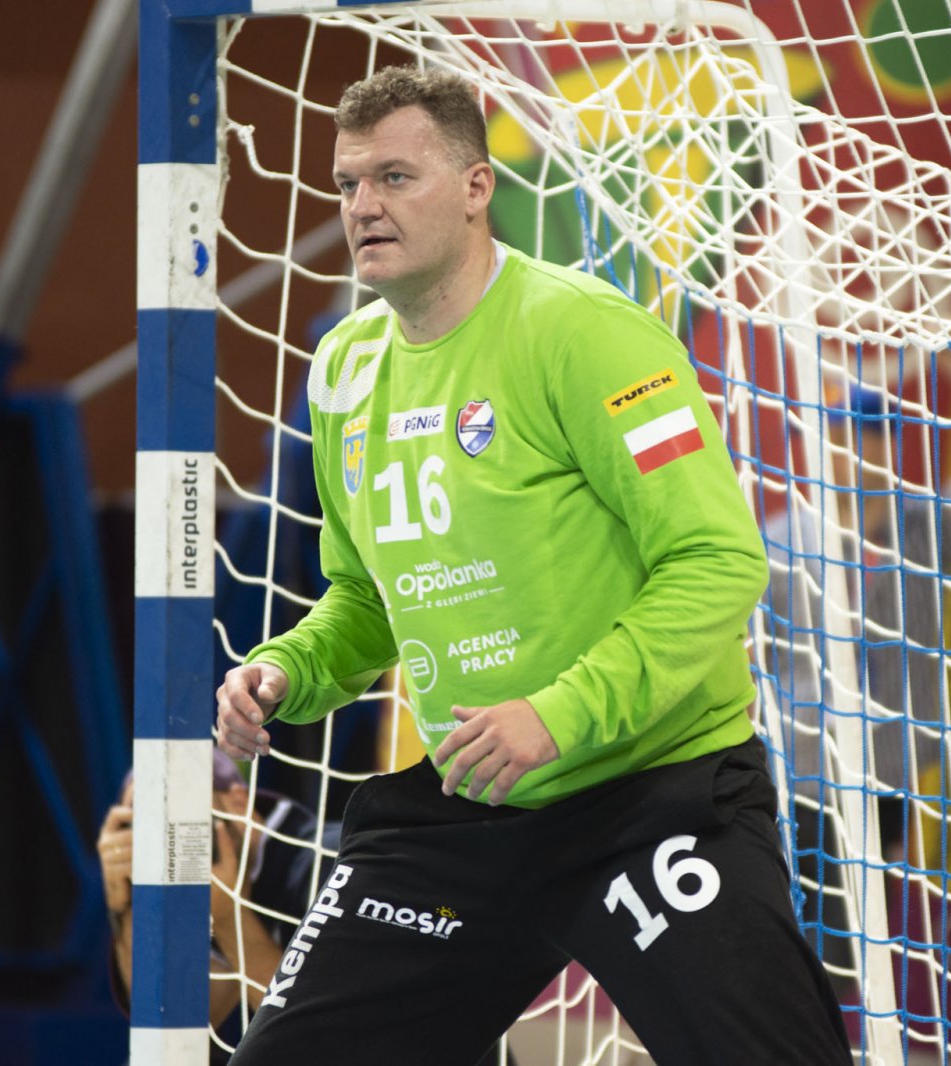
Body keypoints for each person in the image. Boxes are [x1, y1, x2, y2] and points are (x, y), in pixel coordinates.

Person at [214, 65, 852, 1065]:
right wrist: (288, 669)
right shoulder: (342, 370)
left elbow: (718, 560)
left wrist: (559, 714)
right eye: (348, 183)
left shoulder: (583, 330)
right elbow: (366, 601)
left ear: (478, 187)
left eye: (395, 177)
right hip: (470, 811)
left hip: (649, 795)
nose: (364, 205)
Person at [97, 750, 324, 1065]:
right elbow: (172, 1028)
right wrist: (127, 904)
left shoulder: (326, 861)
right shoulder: (196, 880)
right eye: (147, 819)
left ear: (239, 802)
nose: (170, 833)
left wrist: (230, 918)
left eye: (181, 808)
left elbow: (324, 1038)